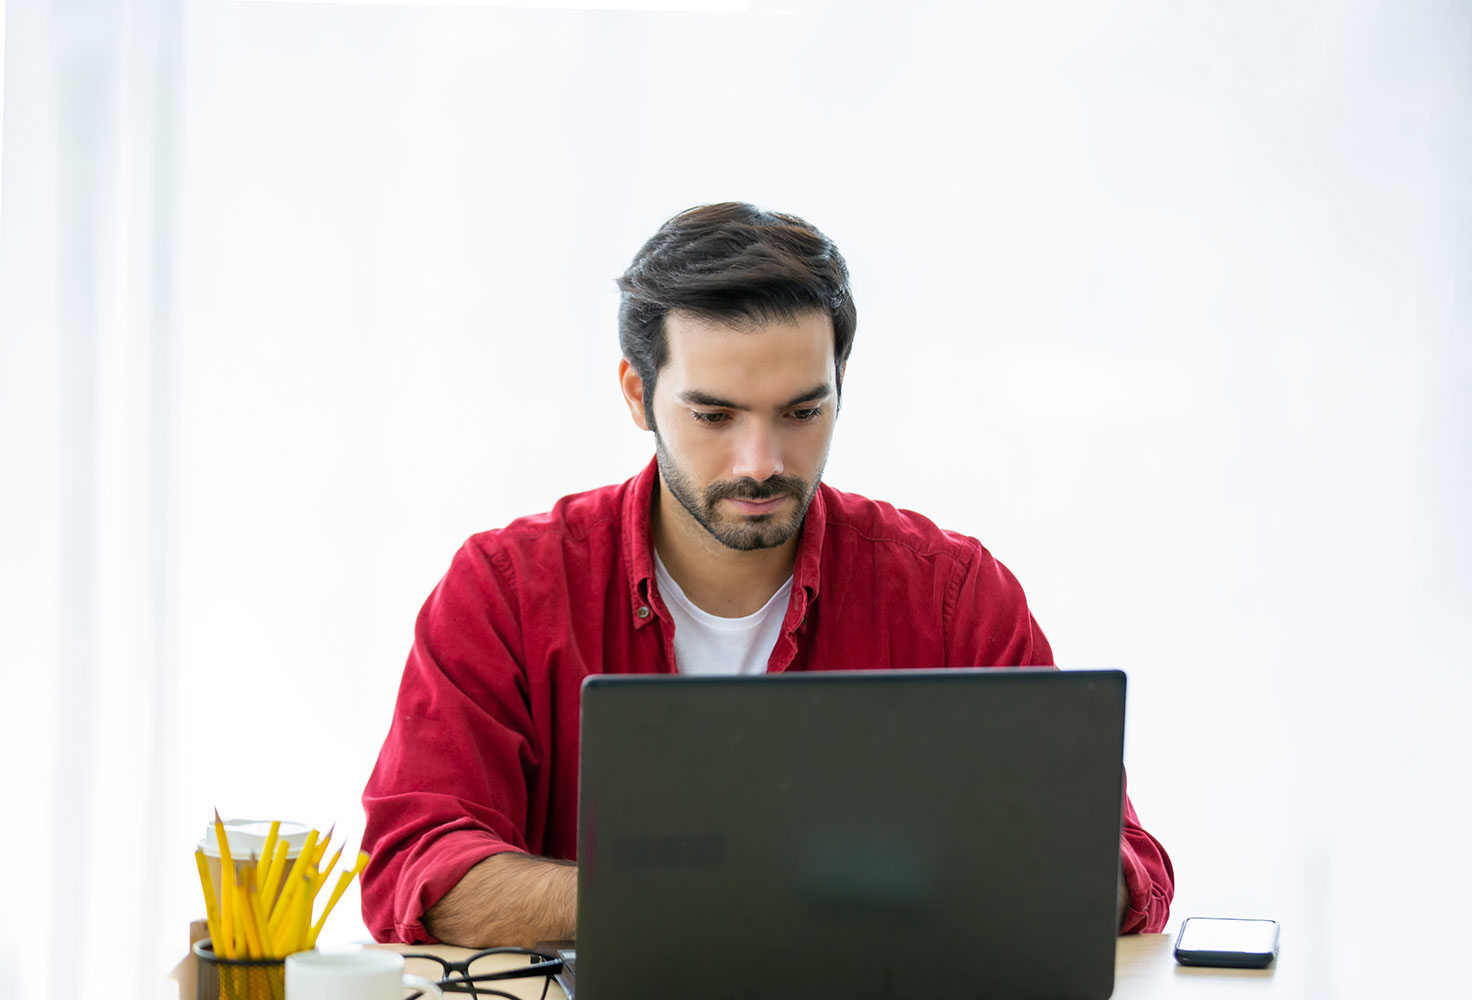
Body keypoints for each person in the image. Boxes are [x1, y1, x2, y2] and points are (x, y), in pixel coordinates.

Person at [359, 202, 1174, 947]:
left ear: (840, 388)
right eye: (714, 416)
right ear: (637, 394)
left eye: (802, 412)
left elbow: (1118, 871)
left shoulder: (951, 597)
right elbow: (417, 870)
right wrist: (716, 894)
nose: (763, 463)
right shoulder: (506, 590)